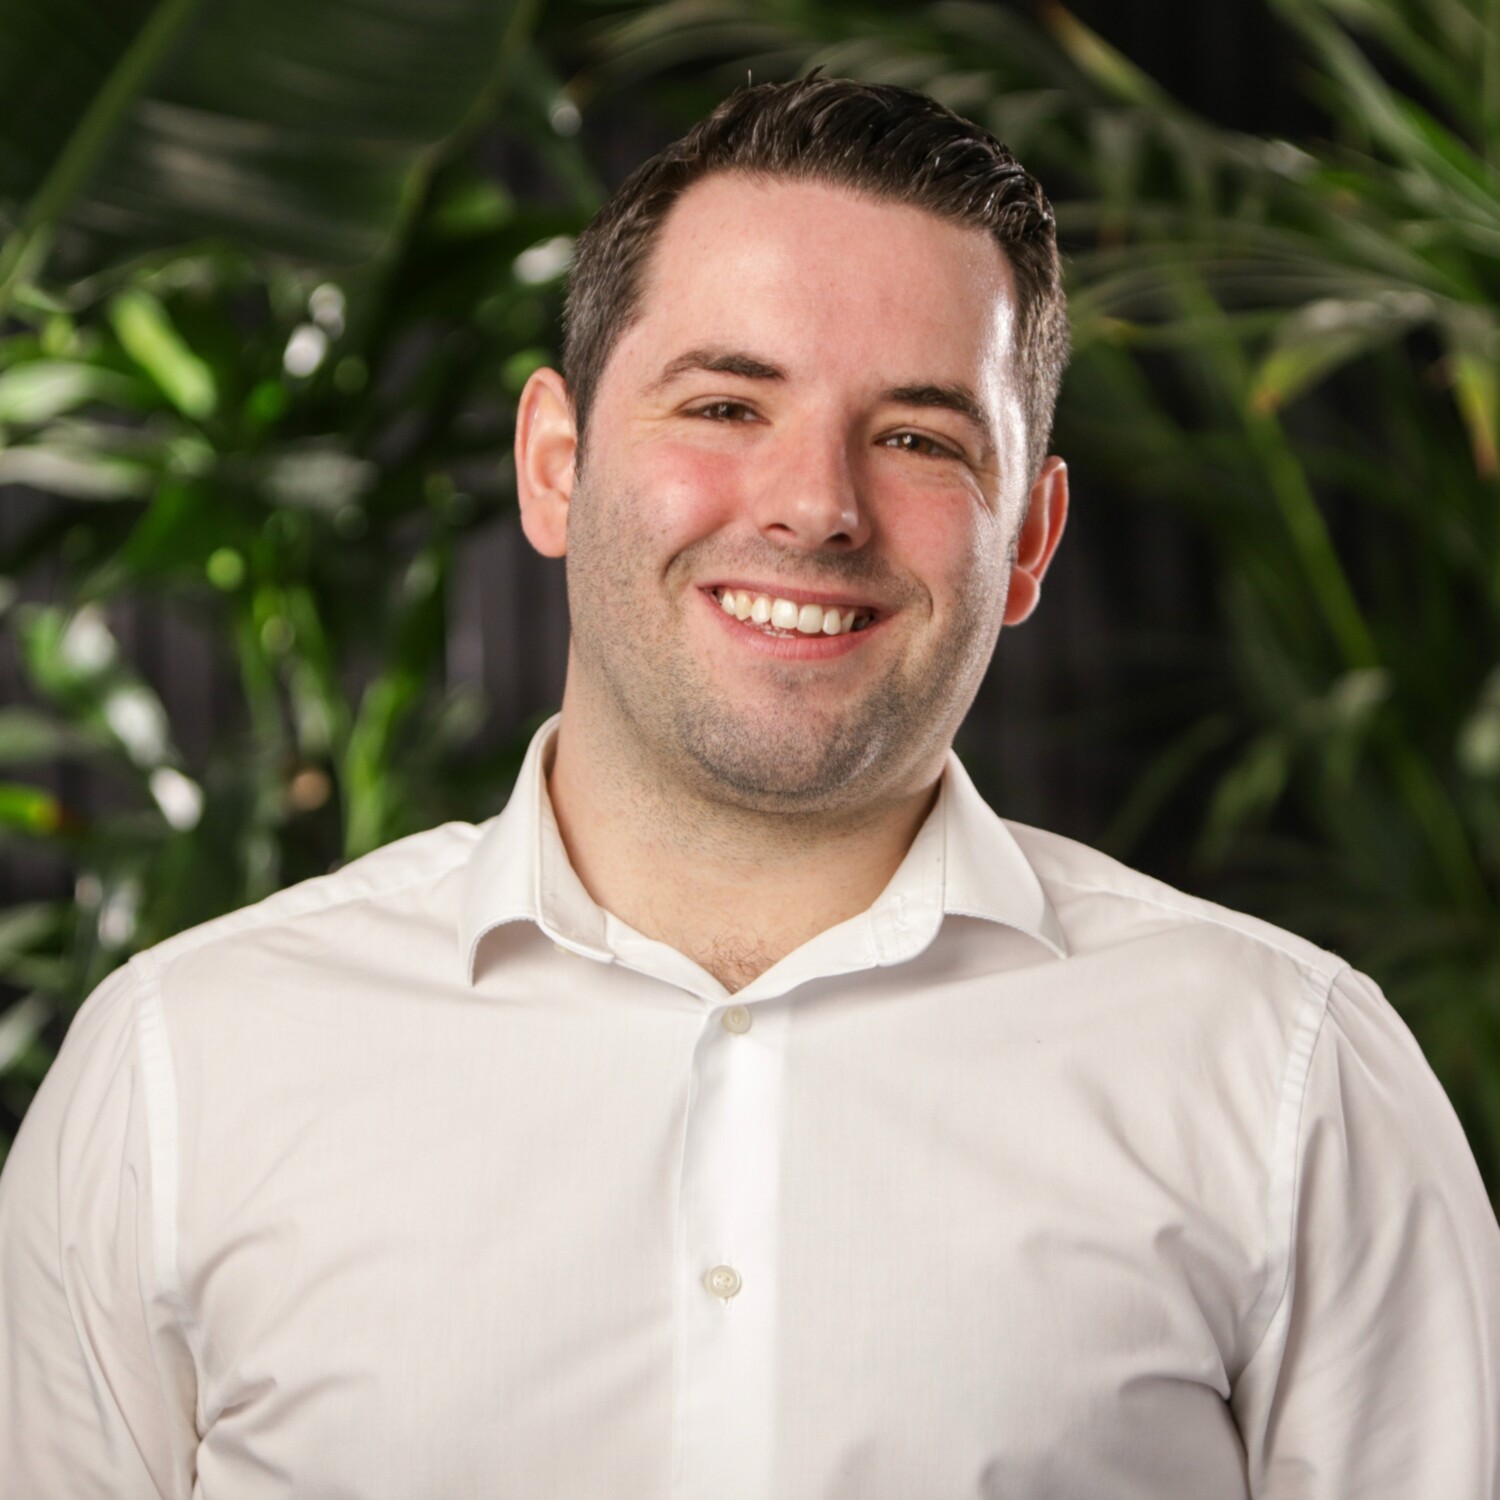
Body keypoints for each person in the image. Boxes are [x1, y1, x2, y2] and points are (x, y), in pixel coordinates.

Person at [1, 75, 1497, 1500]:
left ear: (1029, 541)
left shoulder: (1286, 1081)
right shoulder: (182, 1071)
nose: (815, 508)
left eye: (917, 437)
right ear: (554, 463)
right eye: (726, 406)